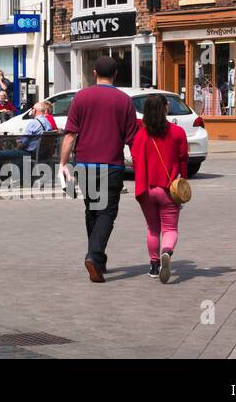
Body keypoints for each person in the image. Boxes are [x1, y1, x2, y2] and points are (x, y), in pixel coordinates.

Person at [59, 55, 137, 283]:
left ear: (94, 73)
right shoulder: (124, 101)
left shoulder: (81, 97)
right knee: (106, 213)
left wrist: (63, 163)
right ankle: (94, 255)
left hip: (84, 164)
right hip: (111, 165)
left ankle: (98, 260)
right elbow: (133, 139)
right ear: (115, 75)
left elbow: (70, 135)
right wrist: (142, 165)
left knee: (92, 209)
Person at [132, 94, 188, 283]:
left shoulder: (140, 135)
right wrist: (183, 182)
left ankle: (154, 266)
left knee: (152, 228)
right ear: (165, 108)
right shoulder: (178, 132)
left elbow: (135, 161)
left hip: (146, 189)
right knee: (170, 228)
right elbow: (183, 160)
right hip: (168, 189)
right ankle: (167, 252)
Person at [0, 100, 55, 182]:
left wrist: (17, 146)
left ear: (35, 110)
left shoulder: (33, 123)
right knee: (4, 152)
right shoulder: (47, 122)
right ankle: (2, 178)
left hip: (30, 153)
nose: (31, 110)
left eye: (32, 109)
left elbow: (23, 142)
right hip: (42, 153)